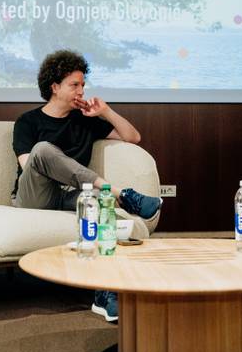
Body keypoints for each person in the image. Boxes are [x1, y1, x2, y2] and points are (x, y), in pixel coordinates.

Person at [12, 49, 162, 322]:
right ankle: (119, 193)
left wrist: (106, 112)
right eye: (74, 85)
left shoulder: (85, 121)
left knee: (105, 211)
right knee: (43, 150)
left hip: (75, 195)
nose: (81, 90)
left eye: (83, 84)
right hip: (34, 196)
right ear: (55, 87)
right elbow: (29, 165)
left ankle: (106, 293)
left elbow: (133, 137)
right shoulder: (28, 121)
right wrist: (98, 187)